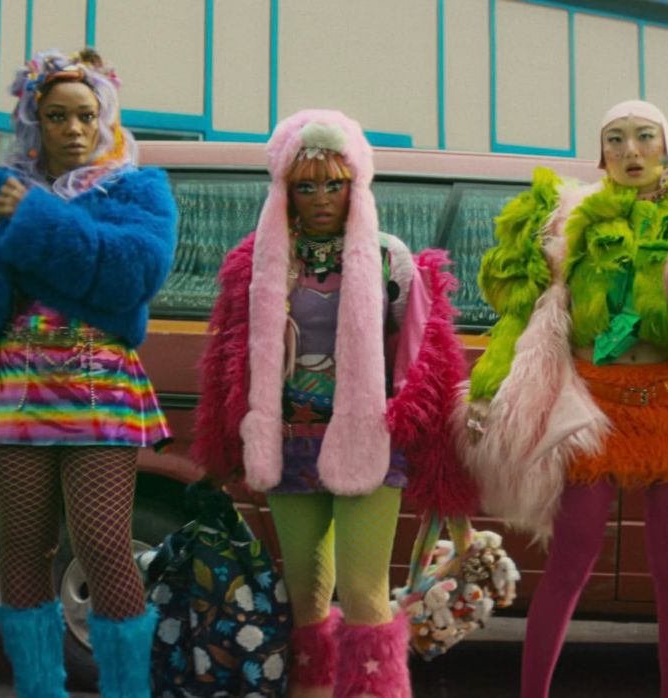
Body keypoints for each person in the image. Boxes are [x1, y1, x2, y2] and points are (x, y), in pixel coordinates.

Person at [0, 48, 177, 698]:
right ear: (34, 120)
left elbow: (129, 274)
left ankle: (129, 689)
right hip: (11, 390)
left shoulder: (138, 190)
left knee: (106, 546)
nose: (75, 130)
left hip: (100, 389)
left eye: (87, 115)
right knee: (23, 548)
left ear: (106, 117)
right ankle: (38, 689)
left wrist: (34, 218)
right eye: (57, 116)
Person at [462, 100, 668, 698]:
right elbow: (524, 318)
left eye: (645, 137)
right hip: (596, 406)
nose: (630, 151)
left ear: (667, 146)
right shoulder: (572, 220)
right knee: (572, 557)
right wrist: (486, 391)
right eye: (615, 140)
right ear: (601, 156)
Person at [191, 109, 475, 698]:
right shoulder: (259, 259)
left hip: (368, 440)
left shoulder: (389, 257)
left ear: (356, 184)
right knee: (304, 595)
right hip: (291, 440)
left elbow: (425, 356)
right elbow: (231, 359)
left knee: (366, 590)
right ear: (286, 189)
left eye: (334, 184)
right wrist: (229, 439)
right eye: (306, 185)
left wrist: (419, 428)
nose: (321, 197)